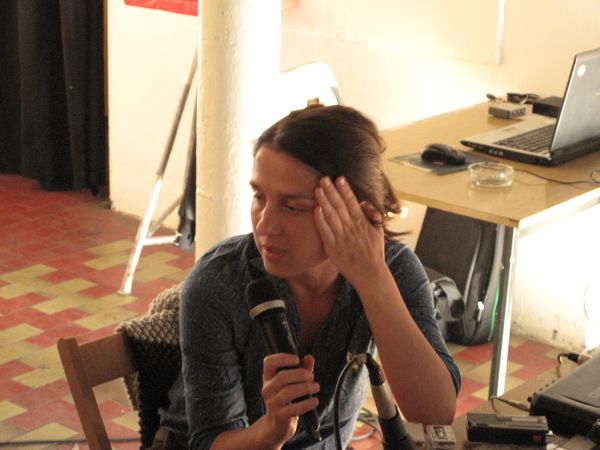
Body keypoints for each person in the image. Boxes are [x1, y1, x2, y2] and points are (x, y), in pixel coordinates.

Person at [157, 104, 461, 449]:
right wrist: (271, 431)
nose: (264, 225)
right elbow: (208, 441)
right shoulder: (218, 283)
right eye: (259, 196)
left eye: (292, 207)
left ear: (355, 211)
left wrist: (373, 279)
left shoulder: (392, 270)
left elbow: (434, 413)